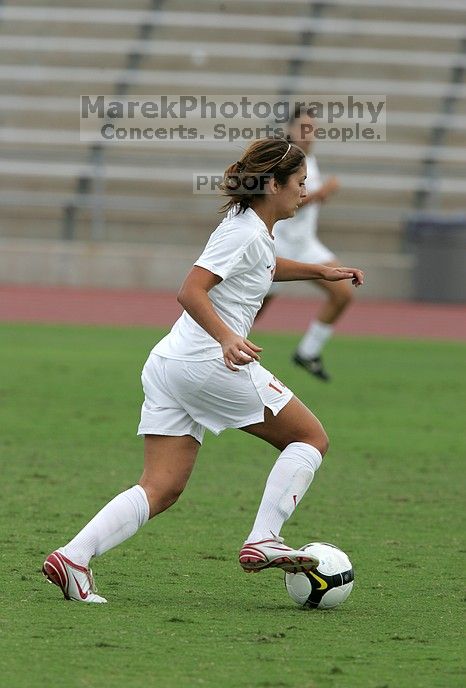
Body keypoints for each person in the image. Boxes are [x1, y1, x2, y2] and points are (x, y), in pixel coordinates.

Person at [42, 138, 363, 604]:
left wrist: (322, 272)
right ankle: (264, 537)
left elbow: (263, 266)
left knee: (162, 487)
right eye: (299, 183)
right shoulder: (246, 231)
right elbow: (191, 290)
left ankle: (73, 558)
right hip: (206, 363)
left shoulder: (250, 228)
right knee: (310, 438)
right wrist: (227, 338)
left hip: (170, 364)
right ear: (273, 185)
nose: (304, 192)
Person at [257, 107, 350, 381]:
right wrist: (321, 193)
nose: (309, 134)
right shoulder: (283, 157)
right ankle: (220, 344)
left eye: (313, 128)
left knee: (343, 293)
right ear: (290, 129)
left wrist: (320, 194)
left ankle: (307, 352)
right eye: (304, 127)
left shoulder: (310, 158)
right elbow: (282, 198)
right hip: (279, 245)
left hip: (306, 244)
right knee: (253, 308)